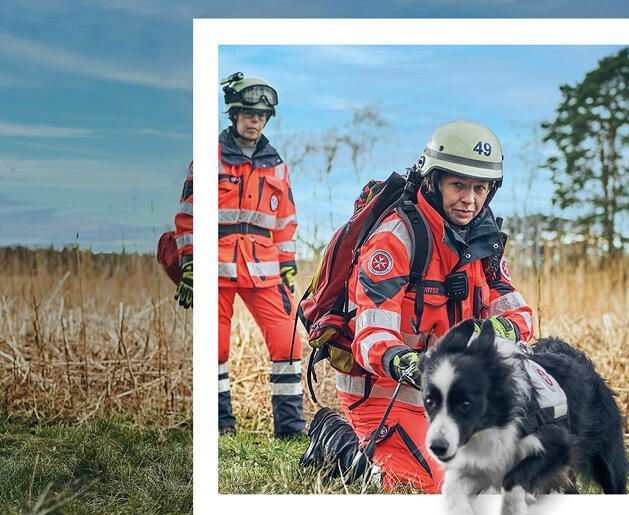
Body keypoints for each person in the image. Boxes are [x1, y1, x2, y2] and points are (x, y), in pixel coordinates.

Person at [302, 121, 537, 492]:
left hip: (452, 399)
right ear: (434, 180)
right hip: (383, 392)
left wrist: (499, 330)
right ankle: (338, 442)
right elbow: (370, 334)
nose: (469, 199)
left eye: (480, 188)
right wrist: (405, 362)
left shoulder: (485, 239)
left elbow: (520, 314)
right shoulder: (396, 237)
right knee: (434, 486)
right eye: (458, 185)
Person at [174, 72, 307, 439]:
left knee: (288, 340)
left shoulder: (276, 164)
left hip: (264, 268)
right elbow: (188, 216)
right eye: (249, 113)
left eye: (262, 116)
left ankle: (291, 430)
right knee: (213, 347)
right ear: (234, 114)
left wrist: (288, 265)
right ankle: (220, 426)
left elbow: (285, 222)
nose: (256, 121)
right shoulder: (208, 158)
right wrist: (189, 264)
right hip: (212, 267)